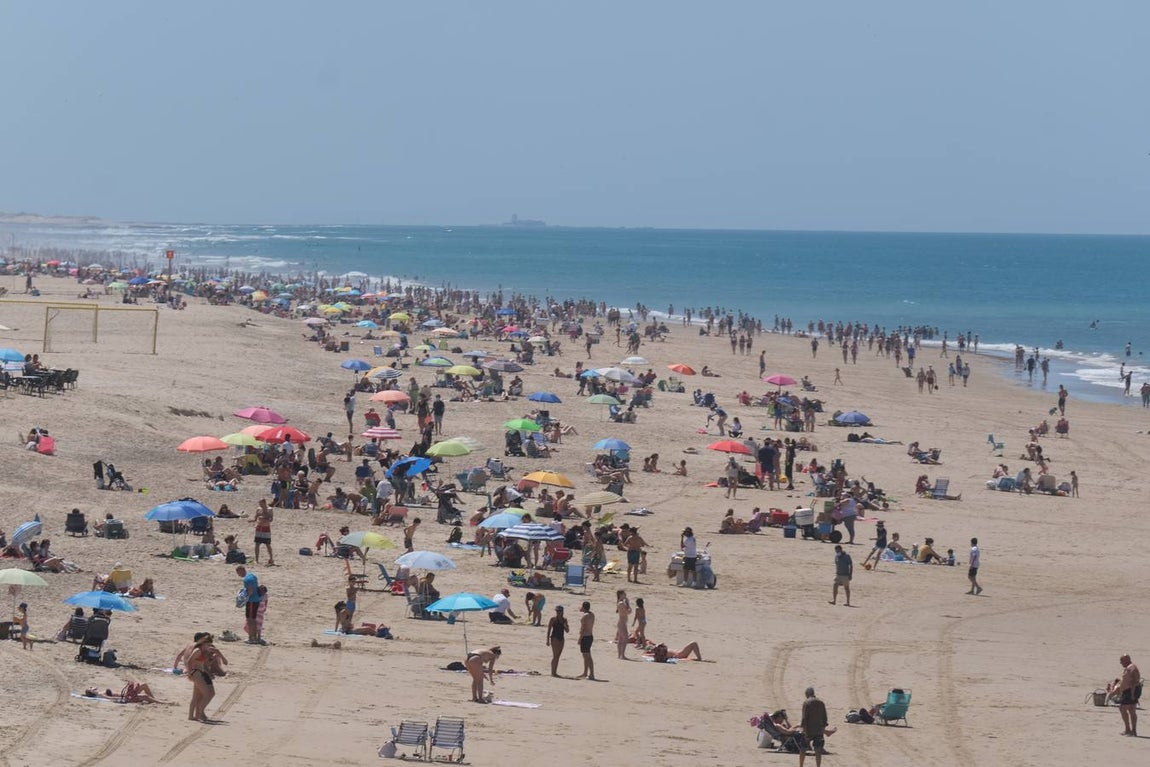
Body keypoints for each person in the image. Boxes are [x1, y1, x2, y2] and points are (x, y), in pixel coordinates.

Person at [185, 632, 218, 722]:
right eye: (208, 645)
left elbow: (205, 664)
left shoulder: (203, 651)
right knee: (208, 693)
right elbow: (189, 661)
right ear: (203, 643)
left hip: (200, 672)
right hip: (196, 673)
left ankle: (192, 716)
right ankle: (200, 711)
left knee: (196, 696)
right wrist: (189, 673)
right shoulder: (198, 651)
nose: (209, 646)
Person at [800, 686, 829, 767]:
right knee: (818, 750)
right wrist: (823, 729)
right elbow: (825, 718)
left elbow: (804, 718)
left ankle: (801, 765)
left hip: (809, 730)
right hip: (819, 730)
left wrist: (804, 731)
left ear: (807, 694)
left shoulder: (806, 703)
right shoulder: (821, 703)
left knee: (803, 749)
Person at [1113, 654, 1141, 736]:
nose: (1120, 663)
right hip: (1131, 690)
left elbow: (1133, 682)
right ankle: (1132, 731)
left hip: (1130, 691)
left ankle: (1129, 730)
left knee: (1123, 709)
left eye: (1121, 661)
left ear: (1127, 660)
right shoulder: (1130, 667)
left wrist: (1132, 694)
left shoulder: (1130, 668)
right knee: (1132, 710)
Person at [236, 565, 265, 644]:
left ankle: (252, 638)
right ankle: (254, 637)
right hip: (256, 600)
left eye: (238, 573)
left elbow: (250, 590)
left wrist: (243, 599)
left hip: (251, 601)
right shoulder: (252, 575)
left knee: (250, 620)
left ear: (242, 570)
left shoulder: (246, 579)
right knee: (253, 619)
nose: (239, 575)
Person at [546, 605, 569, 677]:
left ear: (562, 612)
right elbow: (549, 630)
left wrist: (565, 625)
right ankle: (553, 672)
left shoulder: (564, 620)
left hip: (561, 639)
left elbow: (567, 631)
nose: (558, 612)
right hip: (555, 638)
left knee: (558, 656)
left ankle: (555, 672)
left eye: (559, 611)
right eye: (557, 611)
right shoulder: (553, 619)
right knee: (555, 656)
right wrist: (547, 640)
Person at [576, 601, 596, 680]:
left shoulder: (584, 617)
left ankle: (591, 674)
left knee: (587, 656)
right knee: (586, 655)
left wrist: (579, 639)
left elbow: (583, 629)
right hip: (590, 636)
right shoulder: (592, 614)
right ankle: (585, 672)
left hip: (585, 637)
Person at [252, 501, 274, 565]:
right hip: (259, 528)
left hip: (266, 528)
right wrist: (252, 521)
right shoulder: (258, 509)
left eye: (261, 504)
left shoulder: (270, 509)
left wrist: (265, 518)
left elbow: (271, 519)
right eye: (259, 504)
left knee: (267, 544)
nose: (260, 505)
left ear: (264, 503)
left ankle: (271, 558)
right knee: (257, 544)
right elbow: (255, 518)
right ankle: (256, 560)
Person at [615, 589, 631, 659]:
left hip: (622, 622)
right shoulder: (621, 603)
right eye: (624, 594)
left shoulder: (620, 602)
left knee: (620, 639)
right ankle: (622, 655)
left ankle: (620, 655)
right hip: (622, 623)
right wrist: (628, 604)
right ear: (621, 595)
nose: (625, 595)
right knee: (625, 639)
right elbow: (628, 612)